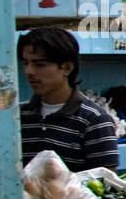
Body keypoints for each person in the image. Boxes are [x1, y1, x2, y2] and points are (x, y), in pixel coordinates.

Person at [19, 28, 119, 172]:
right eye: (25, 63)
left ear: (67, 68)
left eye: (39, 64)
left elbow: (105, 183)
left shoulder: (94, 120)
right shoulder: (19, 116)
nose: (29, 71)